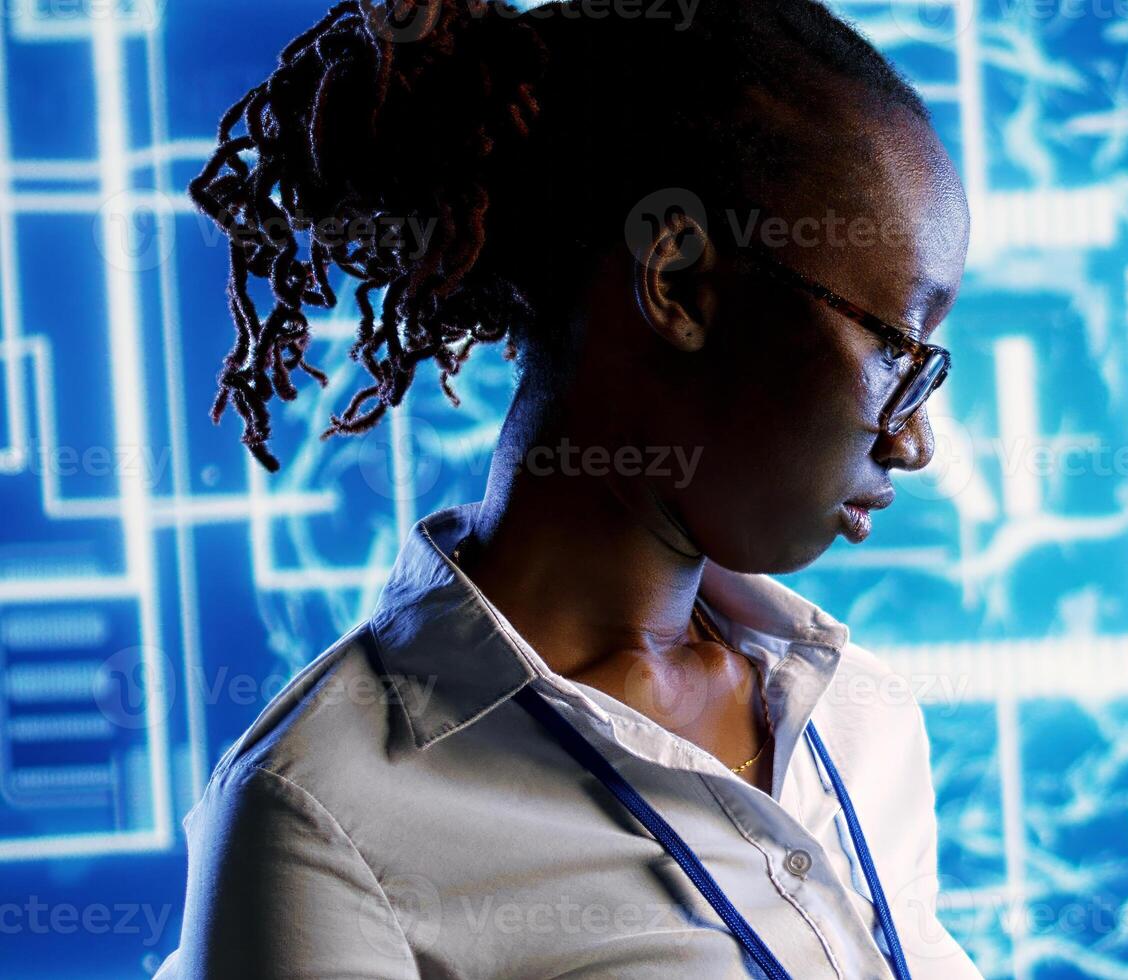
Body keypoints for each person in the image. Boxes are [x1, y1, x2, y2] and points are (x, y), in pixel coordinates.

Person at [155, 0, 976, 976]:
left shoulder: (858, 718)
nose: (915, 441)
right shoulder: (319, 818)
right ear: (676, 281)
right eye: (895, 349)